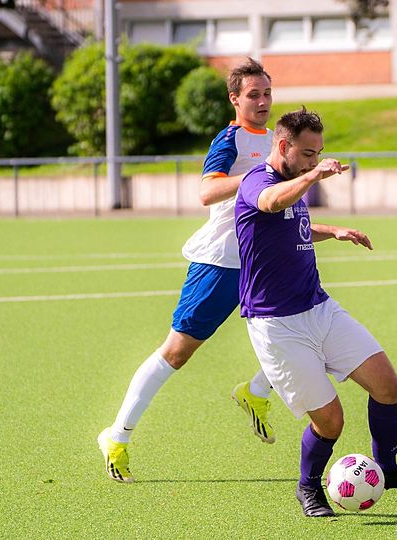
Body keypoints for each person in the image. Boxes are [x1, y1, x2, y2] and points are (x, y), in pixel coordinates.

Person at [235, 108, 397, 517]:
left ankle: (388, 468)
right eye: (307, 153)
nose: (313, 160)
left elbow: (292, 224)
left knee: (387, 385)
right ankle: (308, 487)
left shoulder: (294, 181)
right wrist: (314, 175)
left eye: (318, 153)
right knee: (331, 422)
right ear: (283, 146)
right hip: (277, 326)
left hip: (320, 309)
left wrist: (334, 231)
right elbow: (271, 203)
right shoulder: (259, 181)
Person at [98, 58, 279, 483]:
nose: (262, 101)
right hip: (221, 262)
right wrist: (256, 174)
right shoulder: (230, 140)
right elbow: (207, 191)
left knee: (299, 330)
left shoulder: (275, 140)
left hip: (263, 260)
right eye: (253, 94)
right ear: (235, 99)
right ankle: (117, 435)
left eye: (267, 93)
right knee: (177, 352)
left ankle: (256, 392)